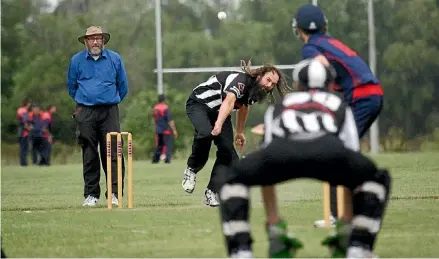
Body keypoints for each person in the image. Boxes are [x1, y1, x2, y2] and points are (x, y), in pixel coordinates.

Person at [217, 59, 392, 258]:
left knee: (231, 178)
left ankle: (242, 251)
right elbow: (350, 156)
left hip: (282, 154)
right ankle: (358, 248)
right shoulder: (338, 104)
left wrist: (275, 226)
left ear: (298, 85)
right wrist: (344, 223)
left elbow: (267, 162)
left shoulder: (280, 106)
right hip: (329, 154)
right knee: (376, 178)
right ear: (329, 85)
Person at [292, 4, 385, 227]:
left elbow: (323, 67)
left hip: (362, 97)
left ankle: (339, 215)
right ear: (324, 25)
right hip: (370, 94)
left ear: (299, 29)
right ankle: (353, 209)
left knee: (333, 152)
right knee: (341, 152)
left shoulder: (311, 47)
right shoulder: (329, 41)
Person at [182, 60, 292, 207]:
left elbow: (244, 107)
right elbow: (229, 101)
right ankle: (191, 169)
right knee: (206, 134)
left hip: (220, 112)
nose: (269, 85)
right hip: (199, 104)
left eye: (273, 84)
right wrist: (218, 125)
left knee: (228, 153)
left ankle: (211, 192)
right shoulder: (241, 81)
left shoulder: (255, 91)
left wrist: (239, 132)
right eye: (268, 80)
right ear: (259, 75)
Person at [67, 25, 129, 207]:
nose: (95, 41)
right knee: (89, 153)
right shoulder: (76, 60)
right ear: (86, 41)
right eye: (92, 38)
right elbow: (71, 87)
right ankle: (91, 194)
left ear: (103, 40)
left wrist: (109, 99)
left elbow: (123, 86)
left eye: (99, 38)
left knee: (114, 152)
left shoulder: (115, 58)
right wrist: (86, 100)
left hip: (109, 111)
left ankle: (115, 194)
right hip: (85, 111)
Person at [152, 94, 178, 164]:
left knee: (159, 146)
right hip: (165, 130)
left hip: (158, 130)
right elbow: (170, 120)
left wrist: (155, 129)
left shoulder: (155, 108)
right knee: (168, 145)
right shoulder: (165, 108)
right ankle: (167, 160)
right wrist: (174, 130)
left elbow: (155, 120)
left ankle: (155, 160)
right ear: (164, 100)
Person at [17, 98, 32, 166]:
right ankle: (24, 164)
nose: (30, 105)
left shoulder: (19, 109)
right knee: (24, 149)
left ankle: (22, 163)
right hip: (24, 133)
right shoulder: (25, 111)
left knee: (22, 148)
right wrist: (29, 128)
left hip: (20, 132)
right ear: (27, 104)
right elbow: (25, 121)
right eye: (29, 103)